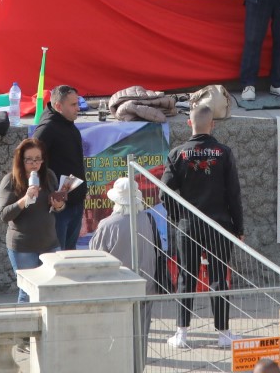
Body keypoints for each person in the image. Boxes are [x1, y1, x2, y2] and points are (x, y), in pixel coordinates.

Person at [162, 105, 244, 350]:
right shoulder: (224, 152)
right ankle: (223, 334)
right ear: (213, 124)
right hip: (220, 224)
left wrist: (180, 217)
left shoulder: (177, 153)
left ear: (189, 124)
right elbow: (234, 193)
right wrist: (238, 227)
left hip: (189, 226)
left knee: (187, 277)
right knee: (220, 278)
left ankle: (182, 334)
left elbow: (165, 192)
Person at [89, 177, 157, 365]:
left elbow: (95, 256)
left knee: (115, 337)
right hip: (145, 287)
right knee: (141, 335)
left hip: (116, 291)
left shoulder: (107, 225)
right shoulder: (147, 219)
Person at [0, 138, 65, 304]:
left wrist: (58, 205)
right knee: (28, 292)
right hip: (23, 246)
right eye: (29, 160)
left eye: (38, 159)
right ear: (21, 161)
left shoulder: (49, 176)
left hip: (49, 243)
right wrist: (25, 199)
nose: (34, 164)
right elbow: (5, 215)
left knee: (51, 290)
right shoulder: (10, 181)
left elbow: (54, 209)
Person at [33, 85, 86, 250]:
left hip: (75, 203)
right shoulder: (47, 128)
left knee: (69, 256)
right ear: (58, 106)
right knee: (57, 258)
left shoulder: (67, 123)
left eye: (77, 104)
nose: (78, 108)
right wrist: (49, 193)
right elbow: (30, 163)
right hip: (58, 209)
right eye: (73, 105)